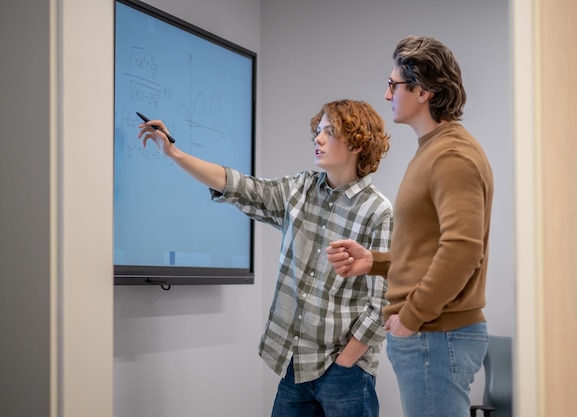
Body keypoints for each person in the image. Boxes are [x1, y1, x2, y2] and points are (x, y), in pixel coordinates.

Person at [137, 99, 393, 417]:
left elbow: (383, 303)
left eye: (330, 131)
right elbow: (239, 186)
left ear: (357, 142)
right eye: (319, 130)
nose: (318, 138)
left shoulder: (378, 211)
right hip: (297, 364)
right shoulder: (299, 189)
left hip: (346, 372)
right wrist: (173, 153)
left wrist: (346, 361)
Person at [326, 36, 494, 417]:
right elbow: (429, 247)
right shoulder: (434, 149)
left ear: (424, 90)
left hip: (435, 334)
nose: (387, 96)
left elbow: (463, 249)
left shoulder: (451, 155)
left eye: (394, 85)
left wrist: (412, 316)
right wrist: (376, 261)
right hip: (431, 335)